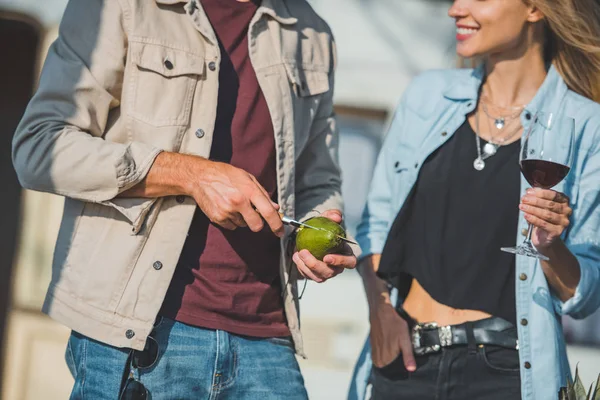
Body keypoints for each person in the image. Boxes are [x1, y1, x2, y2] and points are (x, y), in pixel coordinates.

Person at [11, 0, 357, 398]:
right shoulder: (118, 7)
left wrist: (317, 227)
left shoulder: (311, 31)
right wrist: (190, 174)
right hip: (144, 333)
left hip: (267, 344)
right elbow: (40, 147)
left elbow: (318, 177)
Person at [349, 0, 600, 399]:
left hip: (505, 374)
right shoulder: (427, 96)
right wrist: (379, 310)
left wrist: (549, 245)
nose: (455, 9)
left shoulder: (586, 125)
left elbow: (583, 295)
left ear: (535, 9)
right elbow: (376, 223)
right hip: (405, 361)